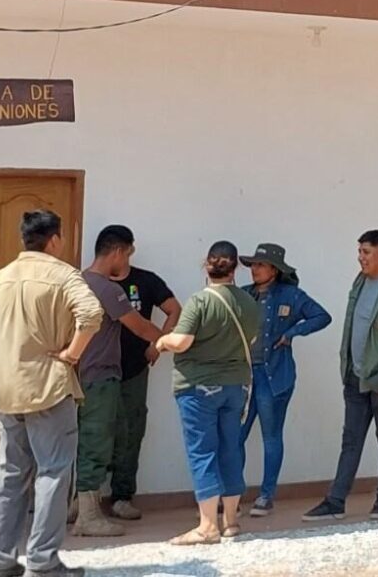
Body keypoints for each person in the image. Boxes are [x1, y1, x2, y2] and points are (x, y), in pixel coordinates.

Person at [0, 210, 104, 577]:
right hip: (50, 386)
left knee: (10, 473)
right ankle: (43, 561)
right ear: (55, 240)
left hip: (7, 389)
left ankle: (0, 560)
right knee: (52, 473)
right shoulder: (64, 275)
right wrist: (72, 354)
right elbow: (91, 314)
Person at [304, 229, 378, 523]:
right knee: (351, 439)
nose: (360, 258)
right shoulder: (359, 282)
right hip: (355, 377)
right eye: (359, 252)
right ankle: (336, 501)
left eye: (366, 252)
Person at [153, 240, 262, 545]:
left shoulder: (200, 302)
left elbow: (182, 341)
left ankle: (206, 526)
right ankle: (231, 522)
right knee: (231, 448)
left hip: (198, 387)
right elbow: (251, 340)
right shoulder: (250, 302)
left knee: (202, 452)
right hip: (237, 386)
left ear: (207, 265)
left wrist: (162, 342)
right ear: (235, 267)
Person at [71, 225, 168, 537]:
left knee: (82, 440)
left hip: (74, 374)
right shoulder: (108, 289)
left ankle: (77, 505)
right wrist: (169, 341)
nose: (126, 259)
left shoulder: (74, 281)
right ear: (116, 251)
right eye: (126, 253)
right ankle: (87, 516)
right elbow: (140, 327)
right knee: (97, 442)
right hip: (100, 375)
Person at [238, 242, 331, 516]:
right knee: (236, 436)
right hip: (244, 376)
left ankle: (266, 495)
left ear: (275, 270)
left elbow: (322, 316)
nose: (255, 269)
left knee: (271, 436)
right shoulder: (244, 295)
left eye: (261, 265)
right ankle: (232, 495)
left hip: (274, 376)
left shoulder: (291, 295)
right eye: (253, 264)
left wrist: (293, 333)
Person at [104, 230, 180, 521]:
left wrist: (157, 343)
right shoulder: (92, 281)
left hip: (134, 368)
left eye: (118, 250)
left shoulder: (146, 280)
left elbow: (174, 310)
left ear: (128, 251)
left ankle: (122, 495)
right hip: (97, 370)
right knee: (95, 431)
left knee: (131, 430)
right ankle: (84, 496)